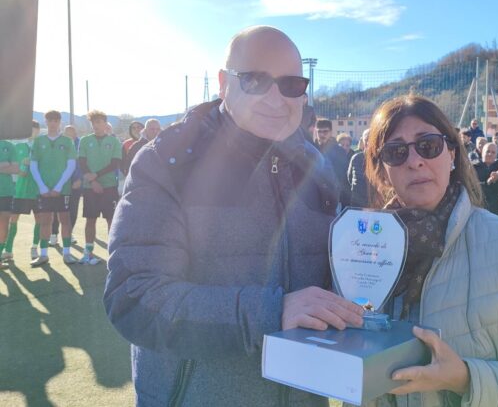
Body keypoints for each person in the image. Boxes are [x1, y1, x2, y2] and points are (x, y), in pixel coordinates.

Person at [103, 26, 364, 406]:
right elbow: (135, 298)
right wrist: (272, 312)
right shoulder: (169, 160)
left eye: (291, 84)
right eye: (256, 81)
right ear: (224, 84)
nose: (276, 98)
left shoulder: (316, 165)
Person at [364, 94, 498, 406]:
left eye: (428, 145)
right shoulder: (360, 248)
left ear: (452, 154)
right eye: (396, 152)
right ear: (382, 170)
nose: (414, 161)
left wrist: (463, 378)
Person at [30, 110, 77, 267]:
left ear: (59, 122)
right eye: (50, 120)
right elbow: (33, 165)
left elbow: (71, 165)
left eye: (56, 120)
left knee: (65, 220)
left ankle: (67, 253)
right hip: (43, 190)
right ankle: (43, 255)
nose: (53, 123)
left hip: (62, 190)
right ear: (46, 122)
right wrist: (42, 187)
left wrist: (58, 186)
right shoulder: (38, 141)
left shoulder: (67, 141)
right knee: (45, 221)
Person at [78, 110, 122, 265]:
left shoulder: (114, 141)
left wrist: (95, 175)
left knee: (111, 220)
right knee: (90, 219)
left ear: (105, 123)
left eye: (98, 122)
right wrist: (92, 182)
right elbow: (82, 162)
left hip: (109, 186)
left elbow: (115, 163)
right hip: (90, 187)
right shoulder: (85, 140)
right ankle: (88, 253)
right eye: (93, 122)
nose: (95, 125)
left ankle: (113, 254)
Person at [5, 121, 42, 264]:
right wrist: (23, 167)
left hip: (38, 191)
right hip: (20, 191)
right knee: (13, 219)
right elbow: (14, 169)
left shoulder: (42, 147)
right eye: (29, 128)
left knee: (39, 219)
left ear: (38, 131)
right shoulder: (18, 146)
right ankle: (8, 250)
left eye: (34, 129)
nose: (31, 131)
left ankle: (34, 247)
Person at [51, 125, 82, 246]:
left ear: (75, 134)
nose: (69, 135)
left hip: (76, 184)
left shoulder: (81, 145)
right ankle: (54, 234)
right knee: (57, 209)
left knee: (72, 210)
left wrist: (80, 179)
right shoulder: (59, 143)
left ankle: (70, 233)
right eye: (67, 133)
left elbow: (84, 164)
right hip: (60, 184)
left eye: (71, 132)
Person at [315, 119, 350, 206]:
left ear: (331, 132)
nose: (322, 134)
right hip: (314, 196)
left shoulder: (339, 151)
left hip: (333, 196)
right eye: (319, 131)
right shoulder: (312, 148)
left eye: (325, 131)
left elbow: (341, 176)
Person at [0, 136, 18, 269]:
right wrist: (5, 164)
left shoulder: (9, 145)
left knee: (3, 224)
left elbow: (15, 169)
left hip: (6, 191)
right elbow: (10, 167)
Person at [473, 142, 498, 215]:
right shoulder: (473, 167)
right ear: (482, 152)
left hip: (494, 208)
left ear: (496, 155)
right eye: (488, 151)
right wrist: (487, 182)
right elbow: (471, 185)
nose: (490, 154)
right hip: (477, 206)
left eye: (493, 152)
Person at [347, 129, 371, 207]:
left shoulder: (381, 158)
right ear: (363, 142)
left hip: (375, 203)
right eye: (366, 139)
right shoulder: (356, 157)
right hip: (357, 202)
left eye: (370, 139)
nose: (368, 142)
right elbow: (350, 177)